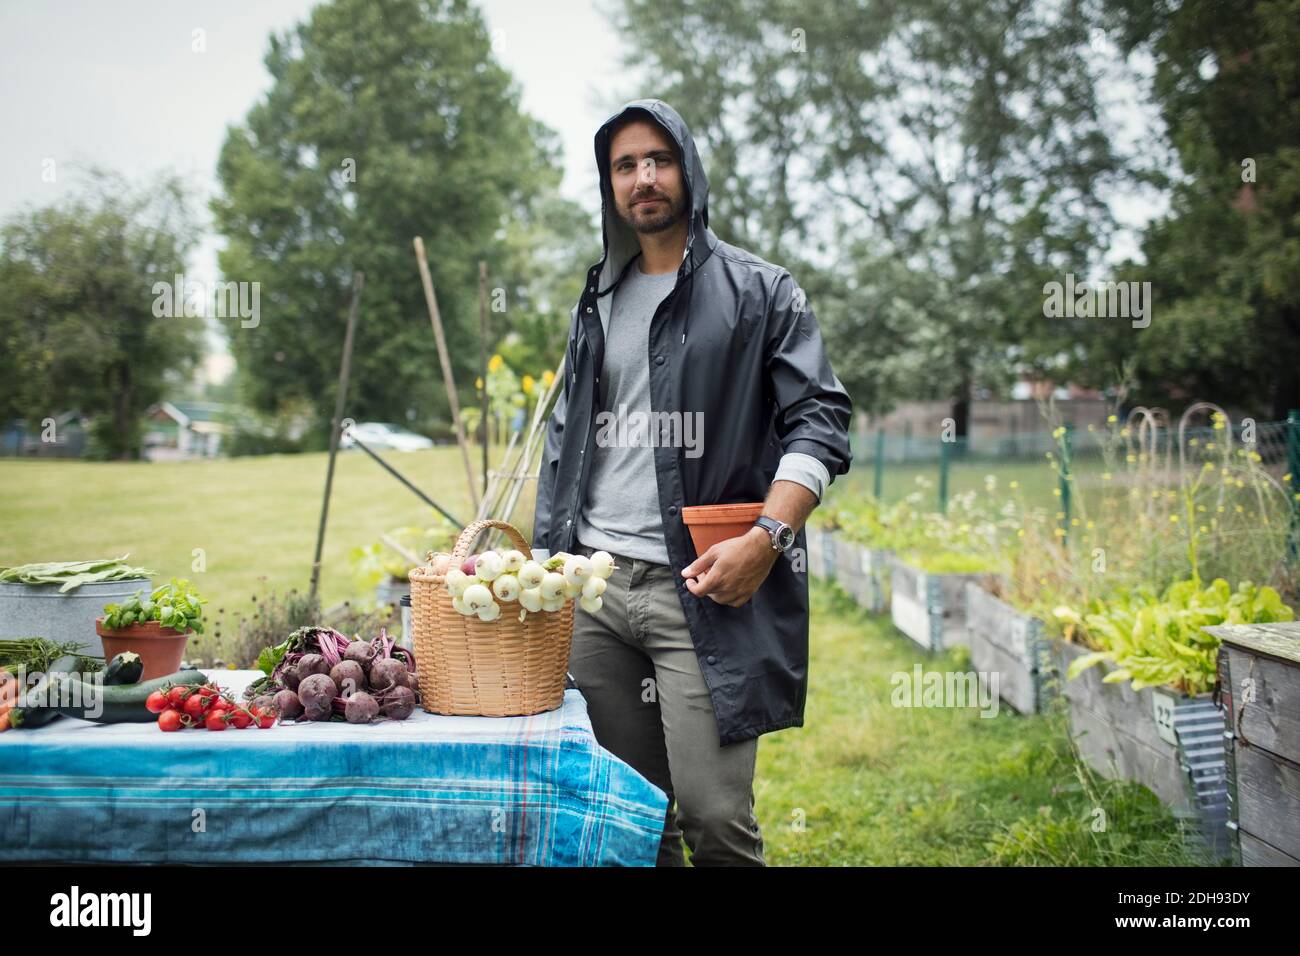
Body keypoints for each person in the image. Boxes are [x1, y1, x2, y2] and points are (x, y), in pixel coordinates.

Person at [532, 98, 853, 866]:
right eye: (625, 165)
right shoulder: (597, 298)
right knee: (631, 820)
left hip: (704, 588)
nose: (644, 178)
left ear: (688, 170)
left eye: (658, 159)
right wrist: (548, 558)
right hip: (599, 594)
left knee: (713, 816)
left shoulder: (761, 291)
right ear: (610, 185)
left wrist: (767, 538)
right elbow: (568, 440)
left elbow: (820, 421)